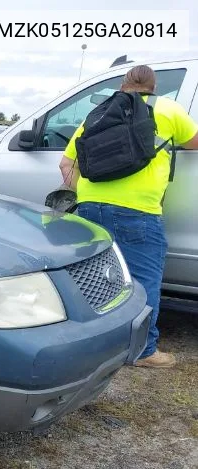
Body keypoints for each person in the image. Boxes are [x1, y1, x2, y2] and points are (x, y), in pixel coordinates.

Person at [59, 65, 198, 368]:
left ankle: (93, 346)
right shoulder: (168, 109)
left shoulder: (96, 114)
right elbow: (194, 143)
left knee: (95, 278)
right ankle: (144, 351)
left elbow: (65, 164)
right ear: (154, 85)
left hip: (90, 207)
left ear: (123, 85)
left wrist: (85, 192)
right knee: (143, 279)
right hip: (138, 212)